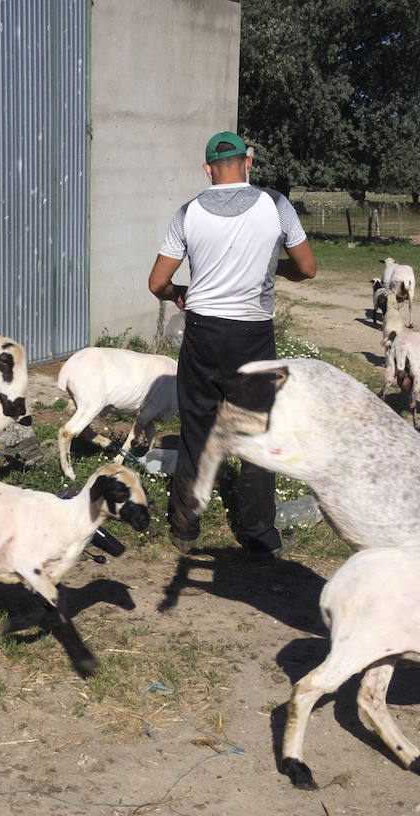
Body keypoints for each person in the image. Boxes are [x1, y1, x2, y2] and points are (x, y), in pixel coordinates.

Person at [147, 130, 317, 559]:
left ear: (207, 170)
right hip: (252, 335)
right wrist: (270, 268)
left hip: (203, 334)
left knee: (196, 430)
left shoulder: (188, 213)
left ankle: (185, 529)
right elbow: (308, 268)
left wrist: (178, 295)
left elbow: (157, 282)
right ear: (249, 164)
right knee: (256, 431)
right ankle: (259, 531)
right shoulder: (276, 205)